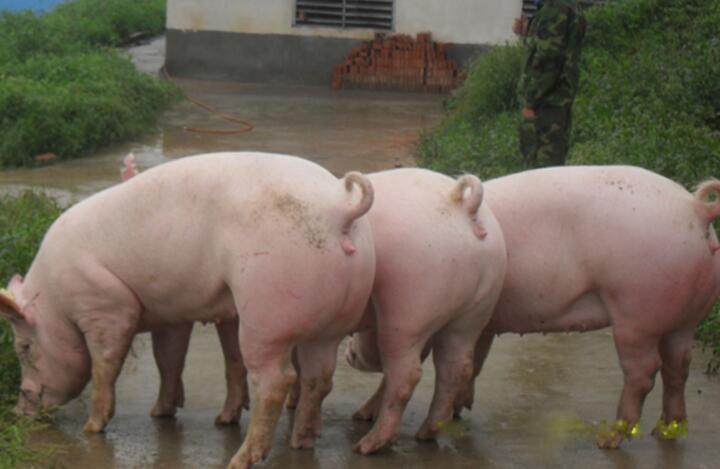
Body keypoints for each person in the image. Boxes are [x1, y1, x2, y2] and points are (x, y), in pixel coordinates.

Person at [514, 0, 586, 168]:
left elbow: (547, 61)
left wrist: (531, 102)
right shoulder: (564, 7)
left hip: (545, 105)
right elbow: (556, 46)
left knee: (539, 171)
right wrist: (528, 30)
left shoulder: (555, 9)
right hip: (555, 103)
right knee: (551, 167)